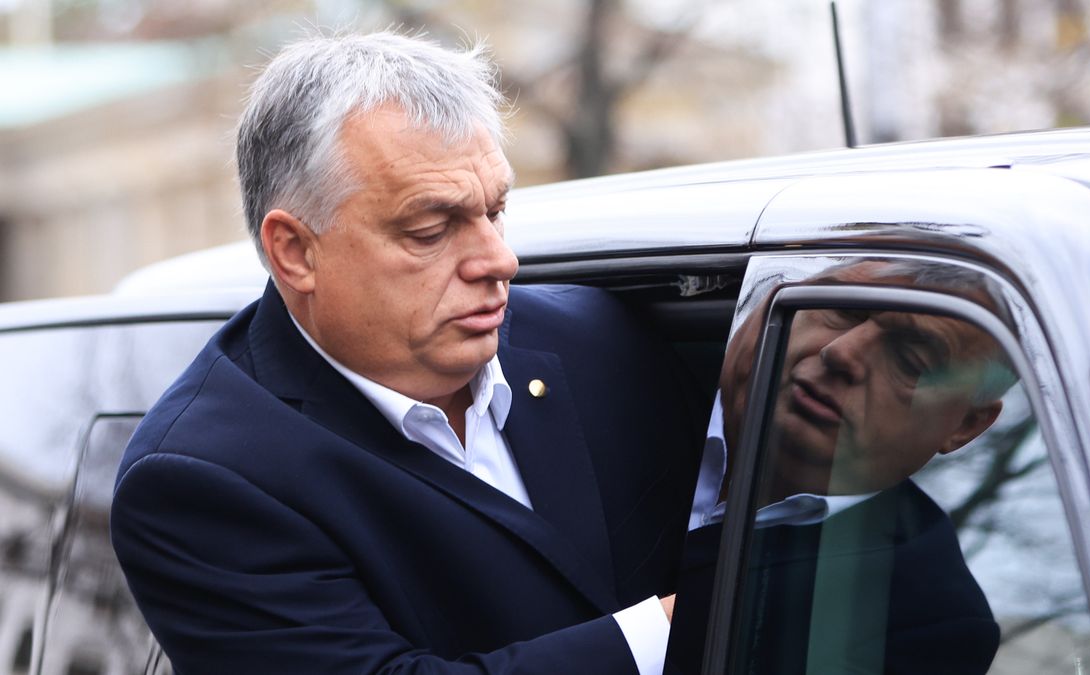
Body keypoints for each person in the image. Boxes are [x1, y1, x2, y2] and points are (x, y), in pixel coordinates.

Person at [110, 32, 702, 674]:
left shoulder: (595, 337)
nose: (500, 261)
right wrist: (688, 624)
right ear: (295, 251)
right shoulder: (204, 478)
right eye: (430, 230)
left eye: (495, 211)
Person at [667, 259, 1016, 674]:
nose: (841, 353)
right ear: (769, 296)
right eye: (841, 310)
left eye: (909, 359)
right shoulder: (595, 371)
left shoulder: (925, 623)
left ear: (965, 425)